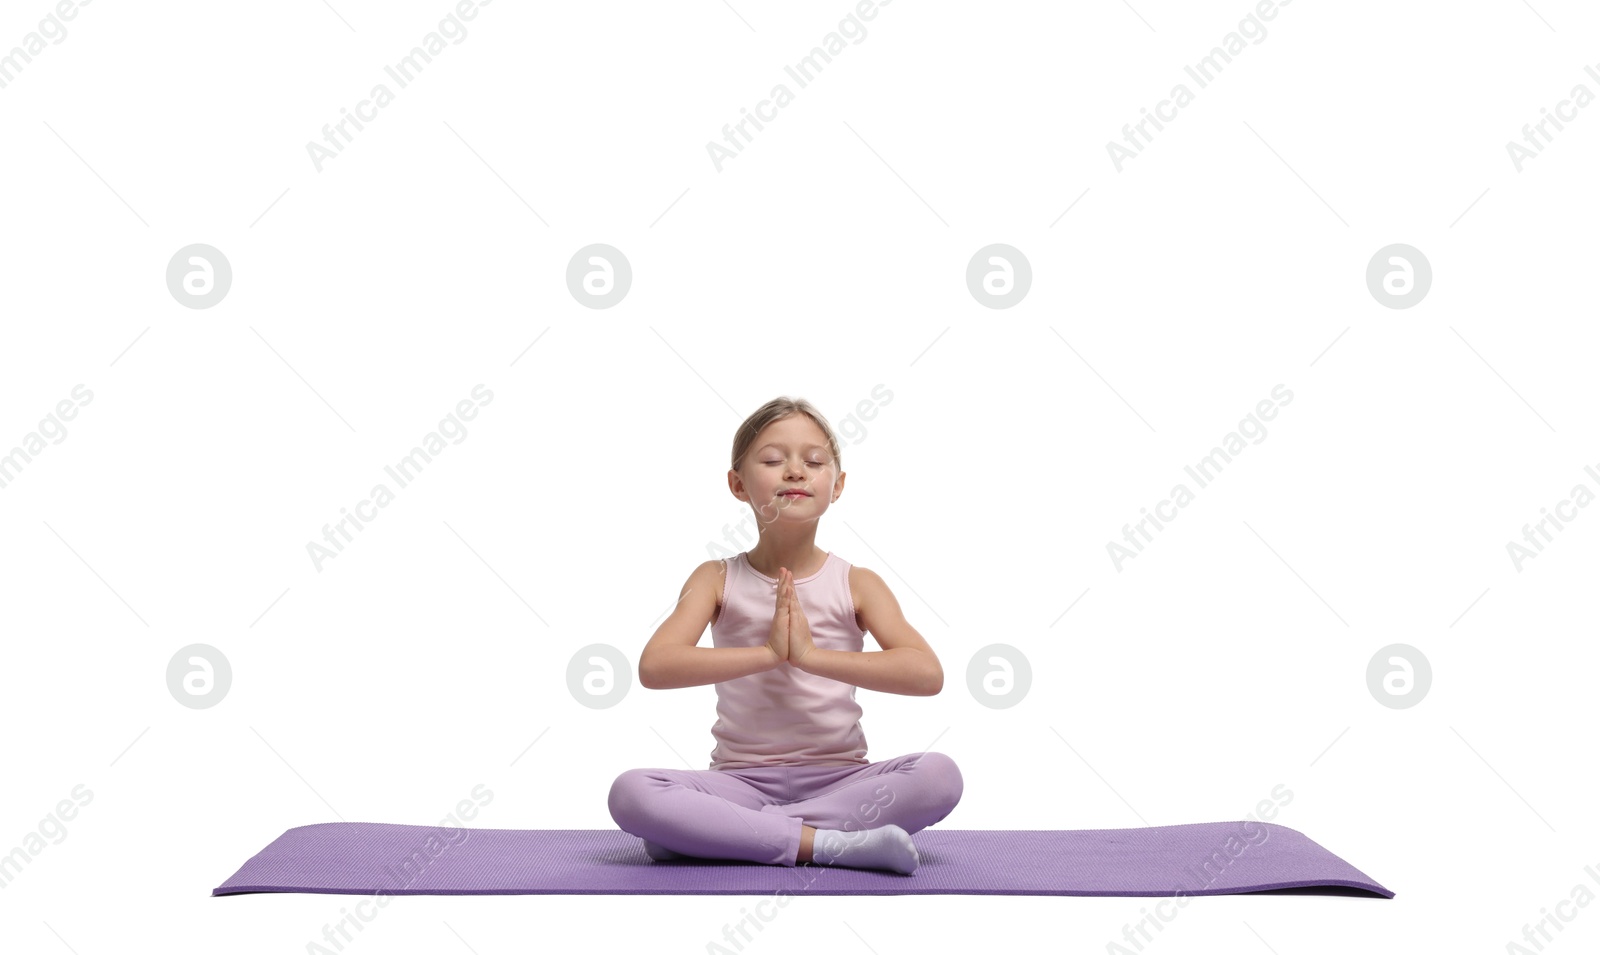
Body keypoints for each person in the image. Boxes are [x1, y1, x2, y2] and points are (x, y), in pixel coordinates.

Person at [607, 396, 963, 875]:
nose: (795, 472)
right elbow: (656, 666)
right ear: (738, 484)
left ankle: (725, 834)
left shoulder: (857, 583)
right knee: (632, 792)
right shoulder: (716, 577)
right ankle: (827, 844)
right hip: (739, 781)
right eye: (773, 460)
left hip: (842, 781)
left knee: (940, 775)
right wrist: (770, 653)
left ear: (836, 486)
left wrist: (810, 656)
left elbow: (926, 674)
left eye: (814, 462)